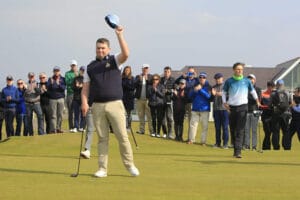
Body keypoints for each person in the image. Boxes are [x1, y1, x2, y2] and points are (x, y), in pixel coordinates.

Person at [81, 26, 139, 178]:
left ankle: (130, 165)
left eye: (103, 48)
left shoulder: (114, 61)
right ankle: (102, 169)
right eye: (98, 48)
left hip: (115, 104)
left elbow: (126, 54)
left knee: (122, 136)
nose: (100, 50)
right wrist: (84, 103)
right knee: (102, 138)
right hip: (97, 105)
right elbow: (85, 88)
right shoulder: (90, 67)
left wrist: (120, 35)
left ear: (108, 49)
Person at [222, 63, 260, 158]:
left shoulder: (247, 81)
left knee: (240, 130)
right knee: (233, 129)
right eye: (238, 69)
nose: (239, 71)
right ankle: (235, 148)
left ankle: (238, 152)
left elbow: (253, 91)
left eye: (241, 69)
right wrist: (224, 102)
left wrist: (257, 101)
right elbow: (224, 92)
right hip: (232, 107)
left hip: (243, 107)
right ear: (234, 70)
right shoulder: (229, 81)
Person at [187, 72, 211, 145]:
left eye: (203, 77)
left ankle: (203, 142)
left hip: (205, 109)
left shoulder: (208, 87)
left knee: (204, 126)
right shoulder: (194, 86)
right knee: (193, 126)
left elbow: (209, 97)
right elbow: (189, 96)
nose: (202, 79)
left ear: (206, 78)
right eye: (200, 77)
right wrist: (194, 91)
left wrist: (200, 90)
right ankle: (191, 140)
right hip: (195, 109)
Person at [175, 66, 199, 140]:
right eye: (189, 72)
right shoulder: (185, 79)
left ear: (194, 73)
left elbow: (201, 83)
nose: (190, 74)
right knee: (180, 120)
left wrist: (196, 76)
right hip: (183, 102)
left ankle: (190, 138)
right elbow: (176, 82)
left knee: (191, 121)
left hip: (191, 103)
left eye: (192, 73)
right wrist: (182, 76)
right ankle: (179, 136)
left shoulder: (196, 80)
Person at [270, 79, 291, 150]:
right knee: (286, 131)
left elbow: (270, 104)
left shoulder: (273, 93)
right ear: (283, 85)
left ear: (277, 85)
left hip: (276, 114)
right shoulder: (287, 92)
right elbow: (290, 102)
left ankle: (276, 146)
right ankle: (286, 146)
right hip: (285, 114)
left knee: (276, 131)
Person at [243, 74, 261, 150]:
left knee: (254, 130)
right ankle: (247, 145)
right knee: (246, 129)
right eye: (249, 79)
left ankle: (254, 146)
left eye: (252, 79)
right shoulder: (244, 89)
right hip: (246, 111)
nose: (250, 80)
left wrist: (249, 97)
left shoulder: (258, 89)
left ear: (254, 80)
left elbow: (256, 100)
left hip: (255, 111)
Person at [211, 73, 229, 149]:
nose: (217, 80)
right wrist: (212, 94)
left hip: (224, 109)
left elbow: (228, 95)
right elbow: (211, 98)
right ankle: (217, 143)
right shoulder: (213, 87)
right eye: (216, 78)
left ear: (222, 78)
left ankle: (225, 144)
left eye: (219, 78)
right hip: (216, 109)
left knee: (225, 127)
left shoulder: (226, 86)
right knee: (217, 127)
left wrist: (218, 94)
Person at [134, 64, 153, 135]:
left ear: (148, 69)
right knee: (141, 115)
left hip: (148, 99)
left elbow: (151, 85)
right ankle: (142, 130)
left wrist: (147, 79)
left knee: (149, 116)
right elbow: (134, 85)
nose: (145, 70)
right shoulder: (138, 77)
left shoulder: (151, 77)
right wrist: (139, 80)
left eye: (147, 68)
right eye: (144, 68)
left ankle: (151, 131)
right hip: (139, 100)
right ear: (142, 69)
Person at [47, 66, 66, 133]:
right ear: (53, 71)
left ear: (59, 71)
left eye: (57, 71)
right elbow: (48, 89)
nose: (56, 72)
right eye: (55, 71)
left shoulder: (63, 79)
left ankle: (58, 128)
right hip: (52, 99)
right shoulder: (50, 79)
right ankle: (53, 129)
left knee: (60, 114)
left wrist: (58, 84)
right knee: (53, 115)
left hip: (61, 99)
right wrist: (52, 84)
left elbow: (63, 88)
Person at [260, 80, 275, 150]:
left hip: (273, 116)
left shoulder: (275, 95)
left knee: (271, 132)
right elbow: (259, 105)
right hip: (265, 116)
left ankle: (267, 146)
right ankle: (266, 147)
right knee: (267, 132)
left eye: (273, 87)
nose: (272, 89)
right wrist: (266, 107)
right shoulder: (263, 95)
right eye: (271, 87)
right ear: (268, 86)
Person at [161, 66, 175, 139]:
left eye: (168, 72)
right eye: (165, 71)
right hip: (161, 101)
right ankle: (165, 133)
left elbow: (175, 90)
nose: (166, 73)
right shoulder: (161, 79)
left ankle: (170, 133)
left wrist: (168, 91)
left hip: (169, 101)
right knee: (162, 119)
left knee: (169, 118)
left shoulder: (173, 80)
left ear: (170, 72)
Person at [65, 60, 78, 132]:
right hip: (70, 93)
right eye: (72, 65)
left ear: (76, 66)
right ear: (70, 66)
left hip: (78, 94)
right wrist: (75, 78)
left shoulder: (79, 73)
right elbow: (67, 82)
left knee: (78, 110)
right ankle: (71, 127)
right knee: (70, 111)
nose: (73, 67)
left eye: (74, 65)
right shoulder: (67, 73)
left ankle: (77, 126)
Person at [122, 66, 135, 131]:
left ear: (130, 71)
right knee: (122, 114)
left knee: (129, 114)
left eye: (128, 70)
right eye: (126, 70)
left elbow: (133, 87)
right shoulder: (121, 78)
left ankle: (129, 127)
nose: (127, 71)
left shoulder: (132, 78)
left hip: (130, 98)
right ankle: (123, 126)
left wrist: (126, 85)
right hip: (122, 98)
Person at [72, 66, 85, 132]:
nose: (82, 72)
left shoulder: (86, 79)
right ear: (79, 71)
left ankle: (82, 127)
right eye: (81, 70)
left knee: (83, 113)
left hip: (83, 98)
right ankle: (76, 127)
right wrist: (77, 86)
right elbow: (73, 88)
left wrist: (81, 86)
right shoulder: (75, 78)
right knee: (76, 114)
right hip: (76, 98)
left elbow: (87, 88)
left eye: (83, 70)